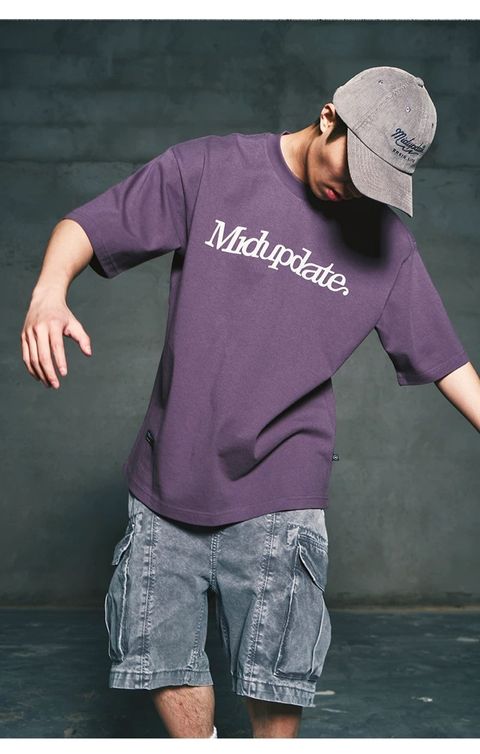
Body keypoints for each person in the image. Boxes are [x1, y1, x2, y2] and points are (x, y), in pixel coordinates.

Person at [20, 66, 480, 738]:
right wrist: (48, 292)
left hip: (282, 486)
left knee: (275, 677)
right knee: (160, 658)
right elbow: (89, 225)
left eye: (378, 182)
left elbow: (448, 362)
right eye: (354, 168)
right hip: (167, 473)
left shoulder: (388, 246)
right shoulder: (209, 168)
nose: (355, 191)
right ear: (328, 118)